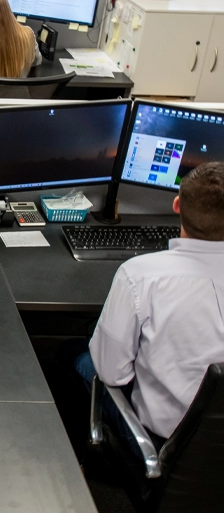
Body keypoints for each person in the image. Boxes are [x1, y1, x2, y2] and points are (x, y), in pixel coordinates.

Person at [76, 162, 224, 448]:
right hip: (212, 458)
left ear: (177, 204)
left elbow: (111, 373)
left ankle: (83, 467)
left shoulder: (141, 276)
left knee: (81, 359)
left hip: (166, 442)